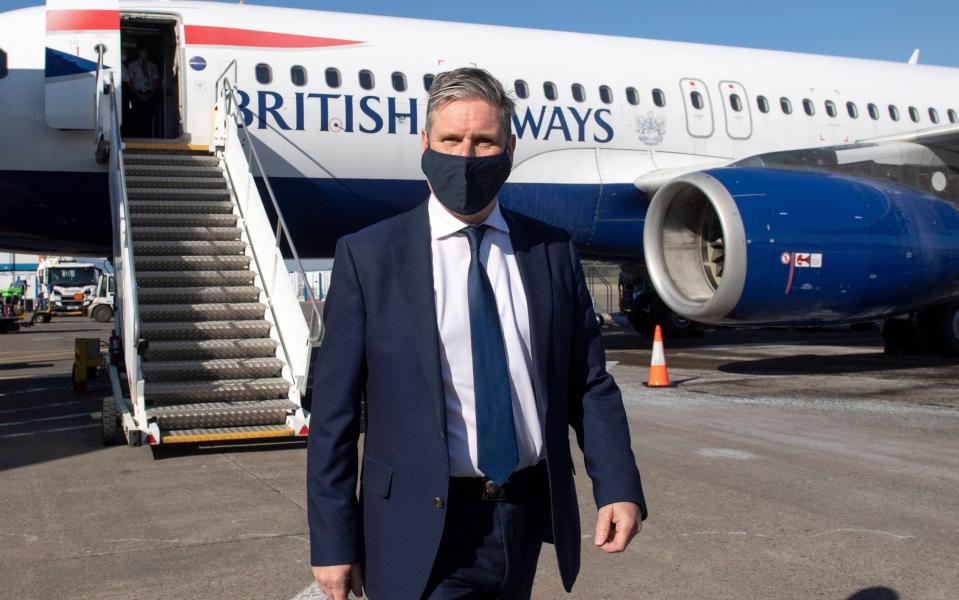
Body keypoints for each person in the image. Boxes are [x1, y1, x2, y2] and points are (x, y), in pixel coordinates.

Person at [308, 67, 647, 600]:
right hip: (419, 524)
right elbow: (334, 414)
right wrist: (332, 541)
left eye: (484, 141)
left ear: (510, 147)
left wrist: (619, 487)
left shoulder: (552, 252)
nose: (466, 156)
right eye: (451, 139)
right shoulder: (370, 257)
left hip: (525, 516)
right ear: (424, 143)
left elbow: (589, 384)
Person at [125, 47, 159, 137]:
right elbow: (130, 81)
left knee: (148, 116)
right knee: (137, 116)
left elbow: (155, 81)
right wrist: (137, 94)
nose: (144, 53)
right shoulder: (132, 65)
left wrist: (151, 94)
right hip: (137, 93)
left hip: (149, 94)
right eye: (142, 51)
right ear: (138, 52)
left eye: (145, 51)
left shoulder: (153, 66)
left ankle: (148, 135)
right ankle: (137, 135)